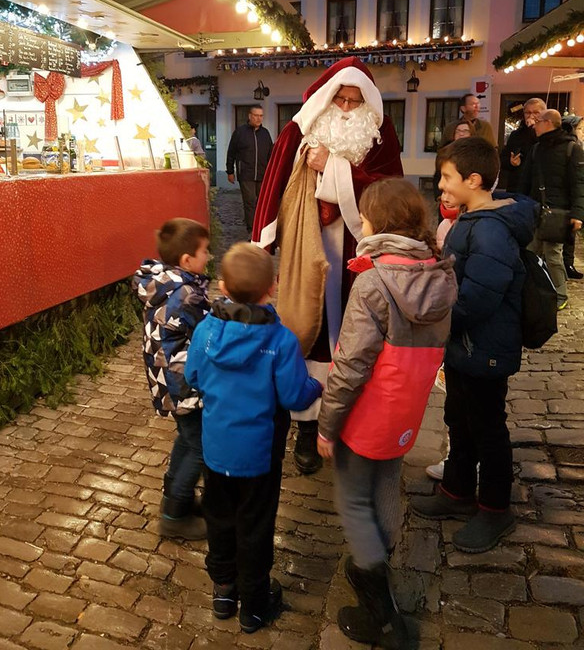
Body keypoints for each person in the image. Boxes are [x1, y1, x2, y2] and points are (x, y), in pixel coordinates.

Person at [317, 179, 456, 647]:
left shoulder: (374, 280)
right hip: (406, 411)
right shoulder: (440, 272)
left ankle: (382, 614)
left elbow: (351, 365)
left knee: (354, 501)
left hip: (366, 413)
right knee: (386, 482)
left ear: (377, 223)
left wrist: (328, 424)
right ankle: (383, 556)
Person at [253, 57, 403, 474]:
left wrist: (333, 168)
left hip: (360, 246)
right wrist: (260, 250)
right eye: (341, 97)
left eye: (356, 101)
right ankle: (305, 424)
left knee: (357, 336)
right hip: (308, 245)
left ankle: (345, 421)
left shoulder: (380, 133)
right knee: (308, 330)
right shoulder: (298, 129)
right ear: (327, 95)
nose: (347, 108)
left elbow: (389, 189)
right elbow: (272, 186)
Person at [184, 243, 322, 634]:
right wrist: (315, 386)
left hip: (215, 453)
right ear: (272, 288)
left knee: (219, 520)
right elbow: (295, 396)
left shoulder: (206, 330)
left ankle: (224, 591)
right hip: (260, 458)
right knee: (256, 527)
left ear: (222, 286)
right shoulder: (280, 341)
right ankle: (255, 605)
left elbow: (192, 377)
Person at [411, 137, 538, 553]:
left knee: (487, 428)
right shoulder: (473, 219)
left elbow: (480, 296)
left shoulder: (491, 230)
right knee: (458, 418)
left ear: (474, 179)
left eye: (447, 178)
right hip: (466, 346)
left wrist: (438, 316)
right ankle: (457, 491)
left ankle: (496, 508)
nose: (441, 185)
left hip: (484, 346)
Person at [133, 218, 211, 541]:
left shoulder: (163, 285)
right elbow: (209, 331)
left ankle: (174, 497)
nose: (209, 255)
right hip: (183, 383)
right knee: (201, 448)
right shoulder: (187, 294)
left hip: (165, 379)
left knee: (187, 438)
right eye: (205, 251)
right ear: (186, 261)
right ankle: (175, 515)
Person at [518, 109, 584, 310]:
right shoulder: (537, 149)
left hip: (558, 213)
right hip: (535, 211)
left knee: (553, 254)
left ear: (547, 123)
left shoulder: (572, 149)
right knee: (530, 252)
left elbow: (579, 184)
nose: (534, 125)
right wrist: (521, 206)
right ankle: (531, 291)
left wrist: (578, 213)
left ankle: (560, 295)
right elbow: (526, 181)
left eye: (538, 122)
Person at [226, 106, 273, 232]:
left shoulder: (265, 133)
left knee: (261, 202)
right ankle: (252, 229)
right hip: (246, 173)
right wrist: (230, 171)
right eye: (256, 115)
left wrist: (271, 171)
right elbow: (231, 153)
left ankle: (260, 226)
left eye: (261, 116)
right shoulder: (240, 132)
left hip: (263, 173)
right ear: (250, 116)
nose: (259, 118)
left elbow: (270, 153)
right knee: (250, 201)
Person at [499, 98, 540, 191]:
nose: (531, 116)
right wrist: (511, 162)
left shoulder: (547, 134)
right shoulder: (516, 135)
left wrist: (533, 129)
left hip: (537, 186)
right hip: (517, 185)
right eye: (528, 113)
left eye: (536, 112)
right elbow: (503, 159)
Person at [561, 114, 584, 279]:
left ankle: (567, 263)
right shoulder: (571, 147)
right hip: (568, 196)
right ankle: (566, 263)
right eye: (581, 129)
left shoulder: (578, 146)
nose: (583, 132)